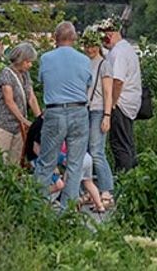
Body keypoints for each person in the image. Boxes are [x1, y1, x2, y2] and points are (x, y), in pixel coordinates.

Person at [35, 21, 91, 207]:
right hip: (79, 110)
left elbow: (42, 79)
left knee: (46, 162)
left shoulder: (46, 58)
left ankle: (39, 206)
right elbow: (88, 83)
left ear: (55, 37)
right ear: (74, 38)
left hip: (55, 111)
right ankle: (67, 210)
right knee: (75, 164)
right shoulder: (84, 60)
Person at [100, 14, 142, 173]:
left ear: (109, 35)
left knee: (119, 145)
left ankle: (123, 178)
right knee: (128, 143)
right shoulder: (126, 48)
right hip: (131, 102)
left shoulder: (118, 53)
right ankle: (133, 176)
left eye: (104, 38)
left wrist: (111, 104)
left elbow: (117, 81)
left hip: (121, 103)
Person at [0, 42, 41, 165]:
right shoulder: (6, 74)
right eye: (28, 62)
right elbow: (9, 101)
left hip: (18, 127)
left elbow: (31, 97)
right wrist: (23, 120)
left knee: (15, 162)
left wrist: (39, 119)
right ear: (20, 60)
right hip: (3, 124)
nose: (30, 65)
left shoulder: (25, 75)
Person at [82, 27, 115, 204]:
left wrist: (107, 115)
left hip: (98, 110)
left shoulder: (104, 64)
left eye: (93, 45)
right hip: (83, 110)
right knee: (84, 152)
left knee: (96, 152)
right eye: (87, 45)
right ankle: (88, 190)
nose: (90, 49)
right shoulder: (82, 62)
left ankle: (106, 189)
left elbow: (108, 93)